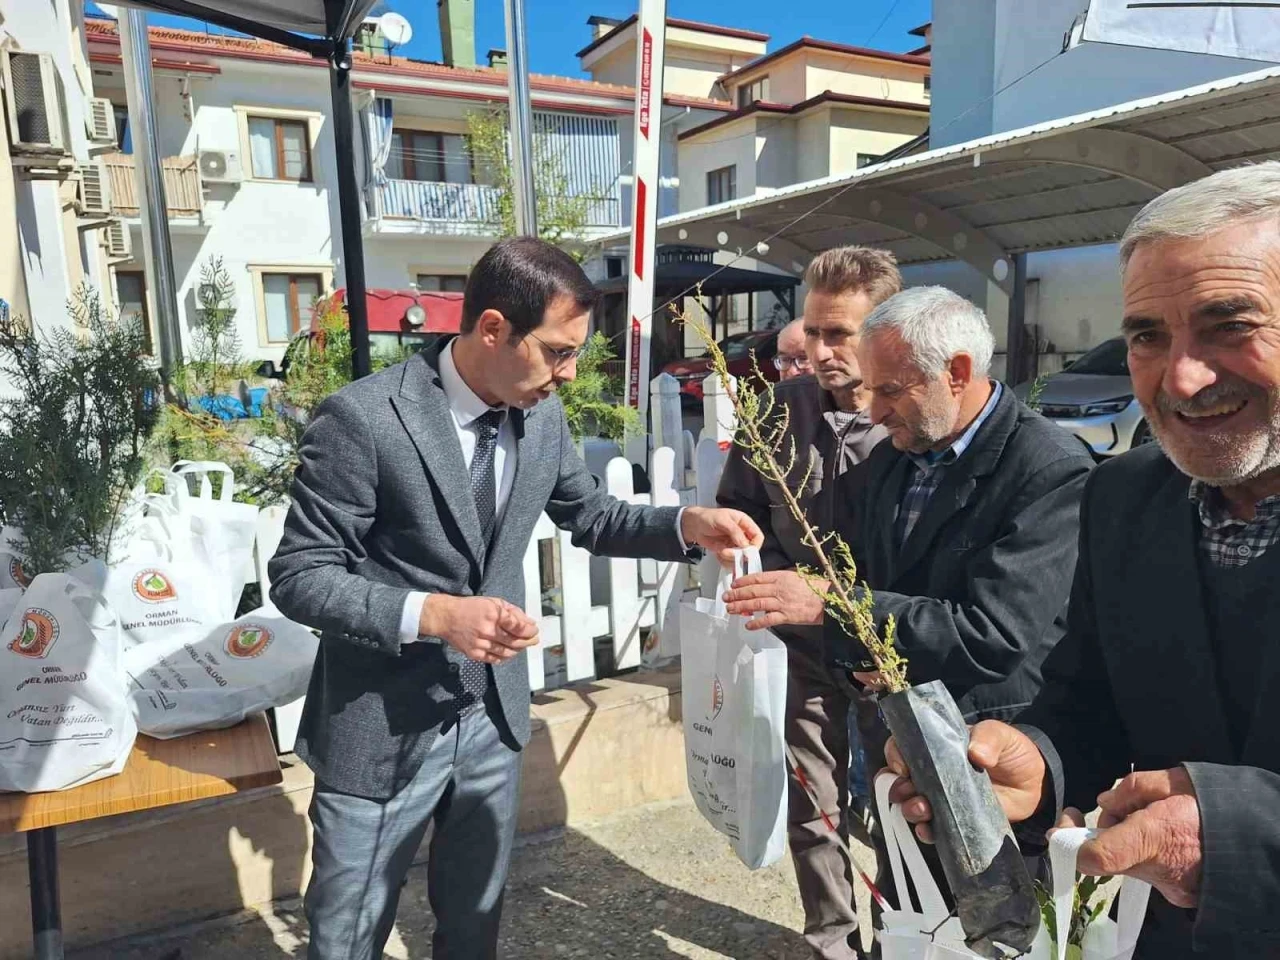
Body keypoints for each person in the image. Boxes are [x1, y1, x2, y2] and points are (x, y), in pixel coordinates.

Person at [269, 237, 763, 960]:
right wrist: (434, 615)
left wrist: (686, 525)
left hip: (491, 718)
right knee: (348, 937)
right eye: (558, 352)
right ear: (494, 328)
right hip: (379, 728)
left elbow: (591, 515)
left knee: (473, 930)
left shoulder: (541, 416)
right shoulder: (365, 419)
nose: (569, 373)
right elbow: (300, 573)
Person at [885, 163, 1280, 959]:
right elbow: (1090, 699)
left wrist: (1242, 836)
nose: (1182, 378)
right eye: (1147, 336)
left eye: (1230, 325)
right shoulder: (1124, 497)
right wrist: (1038, 764)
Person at [723, 286, 1093, 898]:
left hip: (997, 759)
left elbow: (992, 634)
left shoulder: (1048, 469)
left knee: (996, 922)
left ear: (958, 373)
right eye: (871, 390)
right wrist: (862, 654)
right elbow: (877, 577)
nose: (874, 413)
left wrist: (833, 606)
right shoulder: (900, 458)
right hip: (908, 743)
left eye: (891, 391)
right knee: (907, 910)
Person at [717, 246, 898, 960]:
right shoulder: (773, 414)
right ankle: (833, 942)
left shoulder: (911, 419)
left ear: (884, 329)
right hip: (799, 649)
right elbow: (739, 509)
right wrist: (746, 556)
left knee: (898, 806)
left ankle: (900, 940)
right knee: (813, 806)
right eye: (813, 332)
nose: (819, 352)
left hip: (888, 650)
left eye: (838, 334)